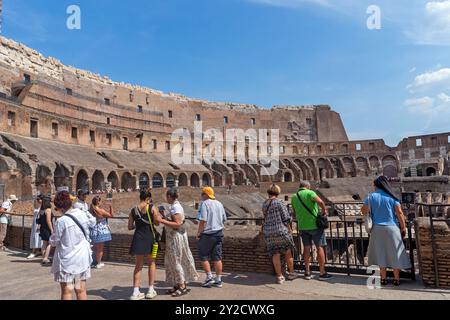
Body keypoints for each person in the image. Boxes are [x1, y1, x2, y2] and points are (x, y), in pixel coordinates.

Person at [361, 176, 411, 286]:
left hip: (377, 229)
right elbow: (400, 213)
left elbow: (363, 211)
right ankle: (396, 279)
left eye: (374, 185)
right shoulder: (393, 197)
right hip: (392, 228)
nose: (373, 187)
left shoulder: (371, 197)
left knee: (380, 253)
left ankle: (383, 279)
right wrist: (403, 227)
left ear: (377, 185)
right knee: (395, 253)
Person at [50, 191, 96, 300]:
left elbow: (54, 241)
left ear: (60, 208)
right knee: (80, 289)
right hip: (82, 257)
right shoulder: (82, 214)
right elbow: (93, 222)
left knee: (67, 290)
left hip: (67, 260)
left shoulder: (61, 221)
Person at [155, 188, 198, 297]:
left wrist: (161, 220)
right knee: (172, 261)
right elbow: (172, 221)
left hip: (175, 239)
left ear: (169, 196)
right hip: (173, 238)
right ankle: (177, 284)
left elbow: (178, 223)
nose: (166, 198)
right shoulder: (174, 207)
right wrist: (164, 215)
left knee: (176, 261)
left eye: (167, 196)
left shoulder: (176, 207)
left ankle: (182, 286)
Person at [291, 181, 332, 281]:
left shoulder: (294, 196)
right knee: (319, 247)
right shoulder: (310, 193)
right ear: (307, 186)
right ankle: (322, 272)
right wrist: (324, 211)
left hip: (302, 226)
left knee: (306, 248)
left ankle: (307, 272)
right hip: (314, 225)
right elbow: (321, 202)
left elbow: (294, 212)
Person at [128, 189, 160, 300]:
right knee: (151, 263)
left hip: (138, 238)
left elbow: (129, 227)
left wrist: (138, 225)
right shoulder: (152, 208)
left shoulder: (133, 210)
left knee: (138, 266)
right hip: (150, 238)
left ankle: (135, 292)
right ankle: (150, 290)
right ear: (148, 198)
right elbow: (157, 222)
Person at [262, 184, 295, 284]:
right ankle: (291, 274)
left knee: (275, 254)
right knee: (288, 252)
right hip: (281, 231)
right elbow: (286, 218)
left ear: (268, 192)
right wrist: (290, 229)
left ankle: (279, 276)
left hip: (269, 232)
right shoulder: (279, 202)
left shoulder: (264, 204)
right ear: (278, 192)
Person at [196, 187, 227, 288]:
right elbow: (224, 219)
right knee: (217, 257)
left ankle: (209, 278)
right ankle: (218, 280)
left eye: (202, 194)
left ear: (205, 194)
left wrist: (198, 233)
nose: (201, 196)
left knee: (203, 256)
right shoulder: (219, 203)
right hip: (218, 233)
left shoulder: (204, 204)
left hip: (207, 234)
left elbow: (203, 220)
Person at [89, 196, 113, 269]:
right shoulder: (100, 210)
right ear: (98, 202)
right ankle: (98, 263)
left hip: (93, 230)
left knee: (94, 248)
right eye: (100, 201)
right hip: (101, 231)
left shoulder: (91, 210)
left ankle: (93, 262)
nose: (101, 202)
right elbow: (111, 215)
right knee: (100, 248)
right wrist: (111, 206)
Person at [27, 194, 44, 259]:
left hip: (38, 224)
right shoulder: (38, 206)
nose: (37, 200)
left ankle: (33, 252)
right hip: (35, 223)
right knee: (35, 237)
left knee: (37, 237)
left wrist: (39, 225)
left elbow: (41, 217)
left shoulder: (43, 207)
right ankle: (37, 251)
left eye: (38, 199)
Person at [39, 196, 54, 265]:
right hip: (47, 228)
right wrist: (51, 229)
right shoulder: (48, 210)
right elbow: (48, 221)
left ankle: (43, 257)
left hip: (42, 228)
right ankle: (46, 258)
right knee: (50, 243)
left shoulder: (41, 210)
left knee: (44, 243)